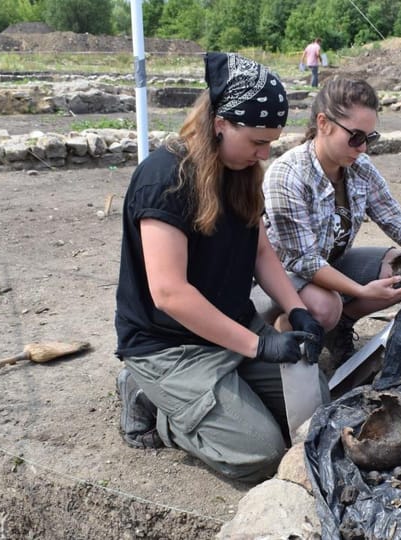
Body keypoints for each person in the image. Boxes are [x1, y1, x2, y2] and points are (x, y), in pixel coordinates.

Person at [114, 52, 327, 483]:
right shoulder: (165, 180)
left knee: (315, 416)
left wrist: (296, 308)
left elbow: (261, 253)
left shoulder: (240, 172)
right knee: (261, 454)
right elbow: (169, 293)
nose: (264, 153)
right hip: (168, 346)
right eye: (256, 142)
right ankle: (153, 403)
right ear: (220, 124)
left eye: (271, 141)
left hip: (229, 329)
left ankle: (219, 401)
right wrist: (260, 346)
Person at [260, 77, 401, 369]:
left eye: (369, 138)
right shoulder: (288, 174)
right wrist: (360, 290)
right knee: (326, 308)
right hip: (283, 273)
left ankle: (339, 329)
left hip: (330, 262)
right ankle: (281, 336)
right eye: (355, 137)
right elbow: (304, 261)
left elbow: (394, 218)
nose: (363, 148)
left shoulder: (358, 167)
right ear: (323, 123)